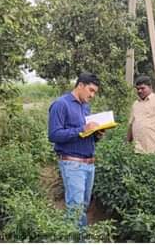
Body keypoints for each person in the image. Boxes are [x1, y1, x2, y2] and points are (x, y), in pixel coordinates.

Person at [47, 72, 104, 230]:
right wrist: (81, 129)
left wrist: (96, 135)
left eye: (95, 92)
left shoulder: (85, 107)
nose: (92, 95)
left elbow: (85, 135)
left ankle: (78, 237)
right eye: (91, 90)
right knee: (75, 209)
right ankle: (76, 239)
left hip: (88, 164)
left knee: (82, 207)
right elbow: (53, 134)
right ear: (80, 85)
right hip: (72, 163)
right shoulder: (61, 104)